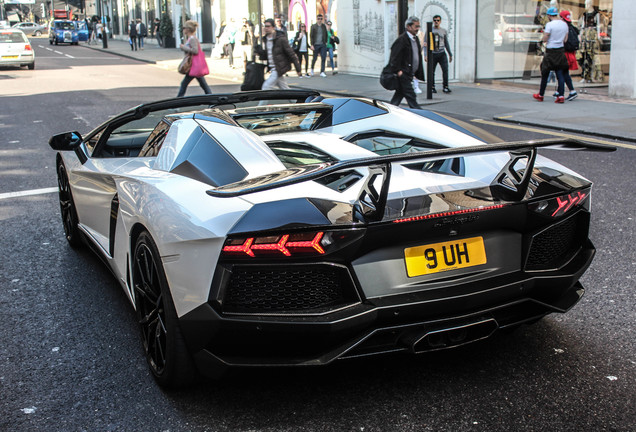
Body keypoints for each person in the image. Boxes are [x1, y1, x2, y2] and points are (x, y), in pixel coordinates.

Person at [533, 7, 569, 103]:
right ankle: (561, 96)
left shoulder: (549, 25)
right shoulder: (564, 24)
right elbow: (565, 39)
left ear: (549, 15)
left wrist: (543, 40)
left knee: (545, 73)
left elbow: (545, 38)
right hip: (560, 51)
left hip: (550, 51)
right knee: (560, 74)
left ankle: (541, 95)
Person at [388, 16, 425, 109]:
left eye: (418, 26)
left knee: (399, 94)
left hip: (409, 73)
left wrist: (416, 72)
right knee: (411, 96)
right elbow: (394, 56)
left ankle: (389, 110)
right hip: (404, 73)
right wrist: (398, 71)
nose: (418, 29)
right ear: (408, 27)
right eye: (416, 26)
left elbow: (416, 55)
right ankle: (420, 114)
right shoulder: (402, 40)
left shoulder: (415, 39)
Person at [255, 18, 301, 91]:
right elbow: (267, 55)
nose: (266, 28)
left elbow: (291, 54)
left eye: (268, 26)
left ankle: (261, 103)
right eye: (265, 26)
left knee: (266, 87)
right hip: (273, 68)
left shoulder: (280, 38)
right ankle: (297, 101)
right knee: (285, 89)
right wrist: (259, 51)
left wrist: (298, 69)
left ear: (273, 27)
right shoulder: (266, 39)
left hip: (278, 68)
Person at [177, 20, 212, 97]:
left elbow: (195, 51)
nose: (183, 30)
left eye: (184, 28)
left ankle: (177, 101)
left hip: (193, 65)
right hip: (195, 66)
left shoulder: (192, 38)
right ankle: (211, 98)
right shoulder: (191, 38)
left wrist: (184, 47)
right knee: (203, 85)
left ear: (188, 29)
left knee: (184, 84)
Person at [424, 15, 452, 93]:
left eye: (438, 20)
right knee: (432, 71)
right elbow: (425, 43)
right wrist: (425, 54)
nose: (436, 22)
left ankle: (445, 86)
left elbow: (446, 42)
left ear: (440, 21)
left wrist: (450, 54)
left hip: (442, 52)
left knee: (445, 70)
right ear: (433, 21)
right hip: (433, 53)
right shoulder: (429, 30)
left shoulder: (443, 31)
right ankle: (432, 87)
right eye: (435, 20)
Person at [558, 10, 578, 101]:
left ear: (561, 17)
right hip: (570, 53)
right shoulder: (572, 27)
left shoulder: (564, 27)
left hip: (564, 53)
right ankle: (560, 91)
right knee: (564, 72)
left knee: (562, 72)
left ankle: (570, 91)